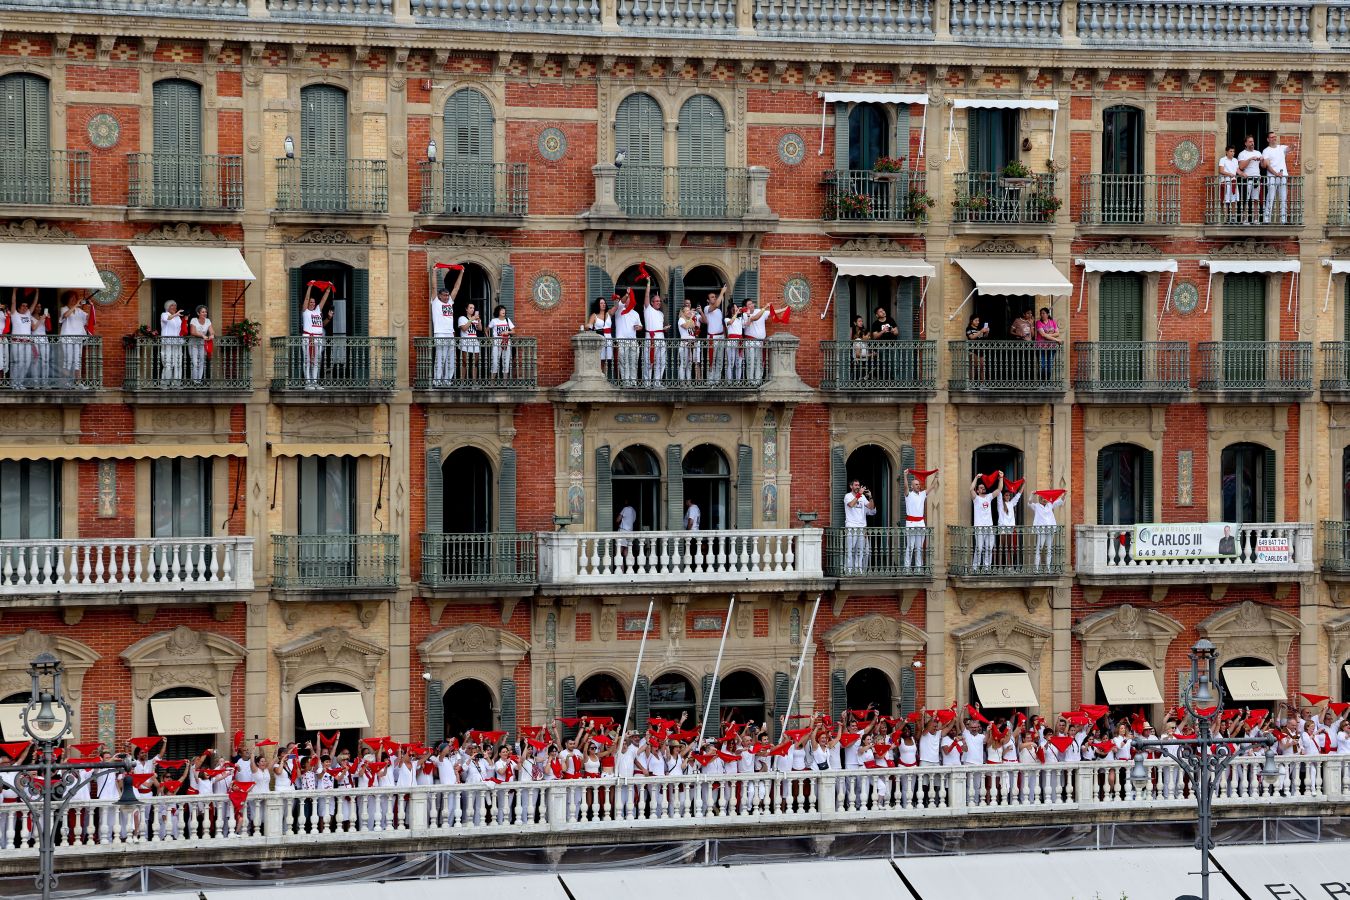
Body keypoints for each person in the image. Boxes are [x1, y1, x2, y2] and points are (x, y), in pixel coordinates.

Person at [431, 268, 462, 387]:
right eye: (444, 295)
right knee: (440, 358)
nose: (446, 297)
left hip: (450, 333)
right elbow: (434, 287)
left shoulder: (450, 302)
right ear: (439, 295)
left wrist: (461, 272)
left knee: (451, 359)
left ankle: (447, 380)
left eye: (447, 295)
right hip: (440, 333)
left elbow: (456, 288)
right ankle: (437, 380)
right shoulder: (435, 302)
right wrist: (434, 271)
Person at [299, 283, 332, 389]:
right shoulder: (306, 311)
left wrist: (328, 289)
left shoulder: (317, 310)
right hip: (308, 338)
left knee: (317, 361)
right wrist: (310, 286)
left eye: (314, 302)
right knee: (307, 360)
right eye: (311, 302)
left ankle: (315, 382)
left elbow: (323, 300)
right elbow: (306, 298)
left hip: (318, 338)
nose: (312, 303)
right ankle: (308, 383)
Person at [902, 469, 936, 571]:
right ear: (912, 486)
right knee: (910, 546)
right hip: (911, 523)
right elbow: (905, 487)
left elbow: (932, 486)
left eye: (919, 484)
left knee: (919, 547)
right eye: (916, 484)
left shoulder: (922, 494)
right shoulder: (908, 494)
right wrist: (905, 476)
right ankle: (907, 568)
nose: (918, 486)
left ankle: (918, 568)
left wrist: (937, 476)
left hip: (921, 523)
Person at [57, 290, 91, 386]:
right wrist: (76, 305)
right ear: (67, 299)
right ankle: (66, 382)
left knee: (77, 361)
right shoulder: (64, 309)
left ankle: (78, 383)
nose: (73, 299)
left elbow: (88, 319)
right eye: (71, 298)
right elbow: (65, 315)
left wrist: (90, 306)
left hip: (78, 339)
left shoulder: (80, 311)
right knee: (67, 360)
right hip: (67, 338)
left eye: (75, 298)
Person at [842, 478, 876, 574]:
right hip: (851, 527)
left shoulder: (862, 497)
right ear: (851, 486)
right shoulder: (848, 496)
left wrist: (870, 497)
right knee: (850, 549)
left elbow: (871, 507)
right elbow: (851, 505)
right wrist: (859, 494)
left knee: (860, 550)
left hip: (861, 527)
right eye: (856, 485)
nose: (858, 487)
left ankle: (858, 569)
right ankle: (848, 570)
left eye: (858, 485)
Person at [1030, 489, 1066, 572]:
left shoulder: (1050, 505)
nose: (1044, 500)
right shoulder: (1036, 506)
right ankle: (1036, 569)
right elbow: (1029, 502)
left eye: (1045, 498)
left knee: (1049, 549)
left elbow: (1060, 501)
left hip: (1050, 529)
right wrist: (1032, 494)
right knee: (1039, 548)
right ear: (1040, 499)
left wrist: (1064, 494)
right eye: (1043, 498)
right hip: (1041, 530)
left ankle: (1048, 568)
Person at [971, 472, 1000, 572]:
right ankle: (975, 568)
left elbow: (999, 490)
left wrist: (1001, 478)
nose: (983, 488)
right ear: (977, 490)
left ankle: (987, 567)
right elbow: (971, 489)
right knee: (979, 548)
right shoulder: (976, 499)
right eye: (981, 488)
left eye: (984, 487)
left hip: (989, 526)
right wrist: (976, 478)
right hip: (979, 527)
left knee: (989, 548)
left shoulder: (989, 497)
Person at [1262, 131, 1292, 225]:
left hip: (1283, 176)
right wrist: (1276, 174)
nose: (1274, 138)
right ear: (1268, 139)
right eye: (1272, 137)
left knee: (1283, 198)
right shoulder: (1266, 151)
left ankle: (1283, 220)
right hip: (1272, 177)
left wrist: (1293, 146)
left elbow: (1289, 149)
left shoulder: (1281, 147)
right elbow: (1267, 165)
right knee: (1270, 198)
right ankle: (1266, 219)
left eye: (1275, 137)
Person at [614, 291, 642, 384]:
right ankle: (626, 382)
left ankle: (633, 381)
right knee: (623, 361)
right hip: (622, 341)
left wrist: (638, 327)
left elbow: (640, 326)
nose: (629, 302)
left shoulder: (635, 313)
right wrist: (627, 294)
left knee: (634, 361)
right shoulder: (619, 310)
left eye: (630, 301)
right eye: (627, 301)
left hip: (633, 341)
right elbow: (621, 301)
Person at [641, 280, 666, 386]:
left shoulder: (661, 314)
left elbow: (657, 326)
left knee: (661, 362)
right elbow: (646, 296)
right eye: (656, 301)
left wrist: (664, 328)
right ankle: (647, 383)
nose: (659, 302)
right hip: (650, 338)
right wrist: (648, 284)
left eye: (659, 301)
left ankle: (657, 383)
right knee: (648, 361)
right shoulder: (648, 310)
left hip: (661, 338)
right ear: (651, 303)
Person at [702, 284, 727, 384]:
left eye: (715, 297)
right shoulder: (706, 308)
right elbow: (716, 305)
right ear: (708, 300)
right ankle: (710, 380)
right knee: (711, 360)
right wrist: (722, 292)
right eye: (712, 297)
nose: (714, 298)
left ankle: (717, 380)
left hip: (721, 336)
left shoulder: (719, 310)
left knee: (719, 359)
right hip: (713, 337)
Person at [1237, 134, 1264, 224]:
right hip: (1247, 179)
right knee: (1246, 199)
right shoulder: (1242, 154)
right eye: (1250, 142)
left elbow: (1263, 166)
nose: (1252, 143)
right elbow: (1241, 167)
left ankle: (1256, 219)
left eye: (1253, 141)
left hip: (1257, 178)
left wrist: (1262, 159)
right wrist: (1250, 159)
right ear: (1246, 143)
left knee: (1256, 200)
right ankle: (1244, 219)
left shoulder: (1258, 152)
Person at [159, 300, 186, 386]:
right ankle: (165, 383)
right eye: (172, 305)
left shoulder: (178, 317)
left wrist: (185, 320)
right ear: (167, 307)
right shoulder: (164, 314)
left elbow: (180, 329)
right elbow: (167, 319)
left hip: (177, 342)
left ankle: (177, 383)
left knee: (178, 363)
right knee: (168, 363)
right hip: (167, 342)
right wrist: (176, 314)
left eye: (175, 306)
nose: (174, 307)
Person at [996, 478, 1021, 569]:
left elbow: (1018, 495)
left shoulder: (1011, 503)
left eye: (1009, 495)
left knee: (1009, 548)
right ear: (1003, 496)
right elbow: (999, 491)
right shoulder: (1000, 504)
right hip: (1002, 528)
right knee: (1001, 548)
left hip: (1010, 528)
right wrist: (1001, 479)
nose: (1008, 496)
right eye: (1006, 495)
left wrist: (1023, 483)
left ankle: (1010, 567)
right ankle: (999, 567)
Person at [742, 299, 768, 383]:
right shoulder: (745, 314)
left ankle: (758, 380)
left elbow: (773, 312)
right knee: (751, 361)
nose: (752, 305)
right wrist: (765, 307)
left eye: (752, 303)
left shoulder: (759, 311)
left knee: (759, 361)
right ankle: (750, 381)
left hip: (760, 342)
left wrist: (785, 309)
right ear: (746, 307)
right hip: (750, 341)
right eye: (749, 304)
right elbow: (755, 318)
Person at [587, 295, 613, 376]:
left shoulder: (609, 313)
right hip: (599, 339)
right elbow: (588, 325)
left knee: (607, 360)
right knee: (600, 359)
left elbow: (616, 307)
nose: (603, 304)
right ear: (598, 305)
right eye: (601, 303)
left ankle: (605, 377)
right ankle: (599, 376)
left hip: (608, 339)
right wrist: (587, 326)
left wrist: (617, 299)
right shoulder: (594, 315)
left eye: (604, 303)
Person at [487, 304, 515, 378]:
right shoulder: (494, 321)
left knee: (506, 362)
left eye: (504, 310)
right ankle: (492, 382)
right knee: (495, 362)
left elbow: (513, 331)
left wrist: (507, 332)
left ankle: (505, 382)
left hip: (506, 342)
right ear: (498, 311)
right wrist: (489, 339)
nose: (503, 311)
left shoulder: (507, 320)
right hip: (497, 343)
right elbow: (486, 330)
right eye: (501, 310)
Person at [1034, 307, 1061, 381]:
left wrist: (1047, 335)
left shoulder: (1053, 322)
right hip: (1040, 347)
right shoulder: (1038, 322)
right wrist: (1056, 339)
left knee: (1049, 366)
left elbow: (1057, 333)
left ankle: (1047, 382)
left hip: (1051, 346)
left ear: (1048, 314)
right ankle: (1041, 382)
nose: (1042, 315)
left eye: (1043, 313)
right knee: (1042, 366)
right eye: (1041, 313)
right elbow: (1043, 335)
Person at [188, 305, 213, 383]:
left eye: (206, 312)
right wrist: (202, 335)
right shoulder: (194, 320)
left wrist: (211, 335)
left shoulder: (208, 321)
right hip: (193, 344)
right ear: (198, 313)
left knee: (202, 362)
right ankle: (194, 381)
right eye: (203, 312)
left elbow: (212, 331)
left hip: (202, 344)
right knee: (195, 363)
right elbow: (192, 332)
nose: (205, 313)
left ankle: (198, 381)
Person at [676, 296, 699, 382]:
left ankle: (688, 381)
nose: (689, 312)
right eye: (687, 311)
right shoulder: (681, 319)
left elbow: (694, 329)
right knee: (684, 363)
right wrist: (691, 317)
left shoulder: (691, 320)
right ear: (683, 312)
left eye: (689, 310)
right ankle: (682, 382)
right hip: (685, 343)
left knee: (689, 364)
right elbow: (686, 326)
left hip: (691, 343)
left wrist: (692, 320)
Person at [457, 301, 482, 380]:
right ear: (466, 309)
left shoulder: (475, 319)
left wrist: (479, 321)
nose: (472, 309)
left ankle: (474, 382)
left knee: (475, 363)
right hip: (465, 343)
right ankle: (462, 381)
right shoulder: (462, 318)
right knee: (464, 362)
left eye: (473, 308)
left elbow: (480, 329)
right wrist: (471, 320)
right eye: (470, 308)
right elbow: (464, 329)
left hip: (475, 342)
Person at [1218, 145, 1241, 223]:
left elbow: (1237, 170)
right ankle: (1226, 218)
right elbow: (1221, 171)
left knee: (1234, 201)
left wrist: (1243, 174)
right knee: (1225, 201)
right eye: (1231, 151)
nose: (1232, 153)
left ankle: (1233, 218)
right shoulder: (1222, 159)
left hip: (1233, 182)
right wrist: (1229, 174)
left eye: (1233, 151)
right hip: (1226, 182)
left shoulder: (1235, 160)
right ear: (1226, 152)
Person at [965, 313, 989, 384]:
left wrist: (987, 332)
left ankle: (982, 385)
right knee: (973, 367)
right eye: (976, 320)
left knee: (982, 367)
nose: (978, 322)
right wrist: (981, 331)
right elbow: (971, 337)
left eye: (978, 320)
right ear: (971, 321)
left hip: (980, 349)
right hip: (973, 350)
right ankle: (971, 384)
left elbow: (983, 337)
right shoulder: (968, 328)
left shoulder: (978, 329)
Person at [725, 304, 744, 382]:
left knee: (739, 363)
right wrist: (736, 313)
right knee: (731, 363)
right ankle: (729, 381)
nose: (737, 308)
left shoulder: (740, 319)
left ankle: (738, 381)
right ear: (731, 309)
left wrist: (748, 315)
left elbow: (747, 324)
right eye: (735, 307)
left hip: (739, 341)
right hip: (731, 341)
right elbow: (730, 322)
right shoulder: (726, 319)